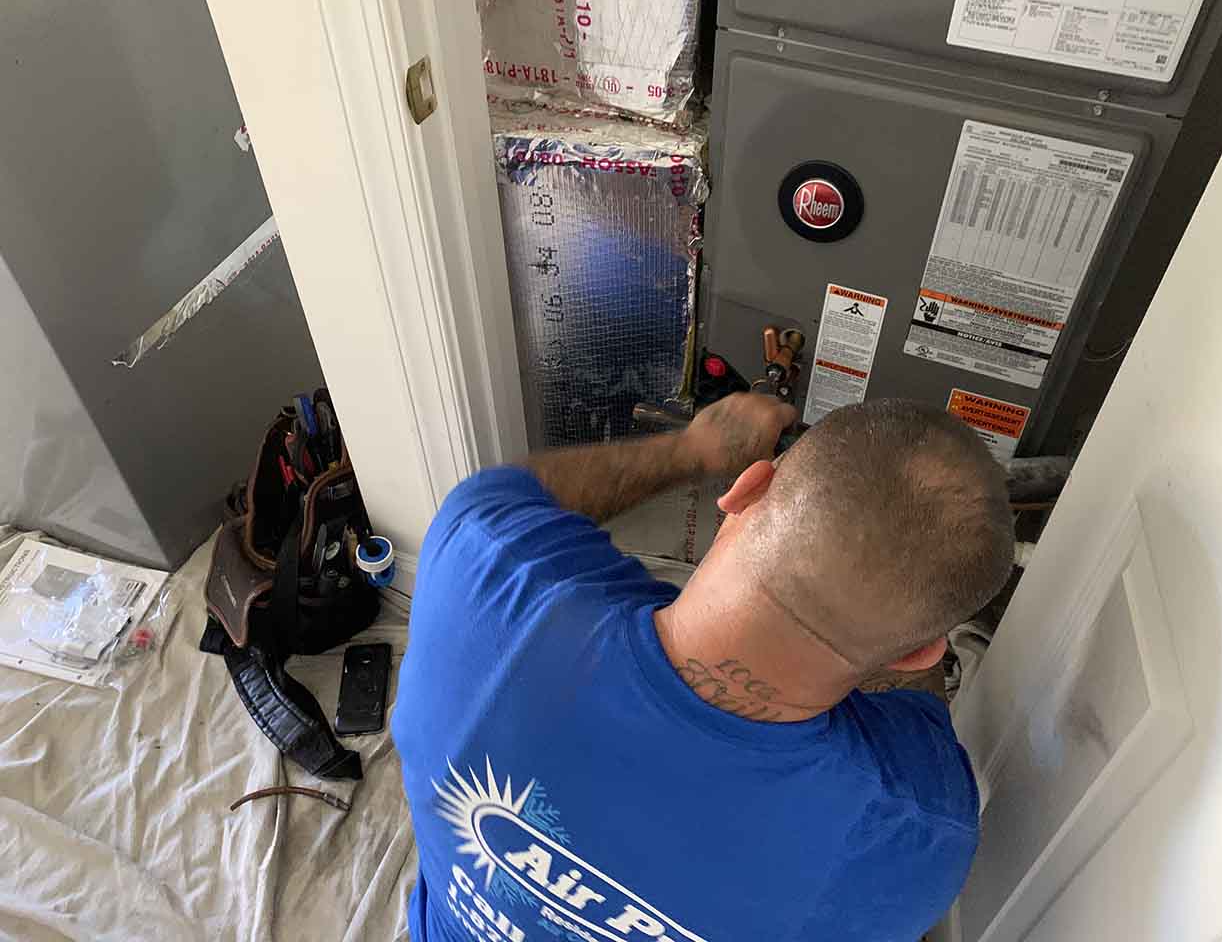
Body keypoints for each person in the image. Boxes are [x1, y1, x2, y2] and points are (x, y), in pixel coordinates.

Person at [393, 395, 1014, 942]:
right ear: (920, 652)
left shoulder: (482, 574)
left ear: (745, 488)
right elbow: (921, 716)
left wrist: (692, 447)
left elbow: (507, 493)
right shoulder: (916, 837)